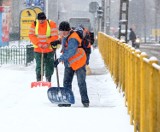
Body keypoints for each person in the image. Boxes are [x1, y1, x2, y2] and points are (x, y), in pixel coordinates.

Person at [54, 21, 90, 107]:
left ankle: (85, 101)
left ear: (68, 30)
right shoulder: (66, 36)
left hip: (79, 61)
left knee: (81, 82)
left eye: (64, 31)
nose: (62, 33)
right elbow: (64, 40)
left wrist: (59, 60)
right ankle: (67, 101)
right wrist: (57, 42)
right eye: (61, 31)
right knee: (66, 82)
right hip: (69, 62)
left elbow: (71, 51)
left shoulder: (73, 38)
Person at [28, 12, 58, 82]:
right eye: (40, 20)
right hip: (38, 49)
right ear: (37, 19)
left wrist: (48, 43)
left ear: (45, 19)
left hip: (49, 49)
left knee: (49, 65)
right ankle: (39, 80)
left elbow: (55, 36)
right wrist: (38, 43)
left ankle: (48, 80)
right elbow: (31, 35)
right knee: (39, 66)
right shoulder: (34, 24)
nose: (41, 21)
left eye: (43, 20)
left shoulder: (51, 24)